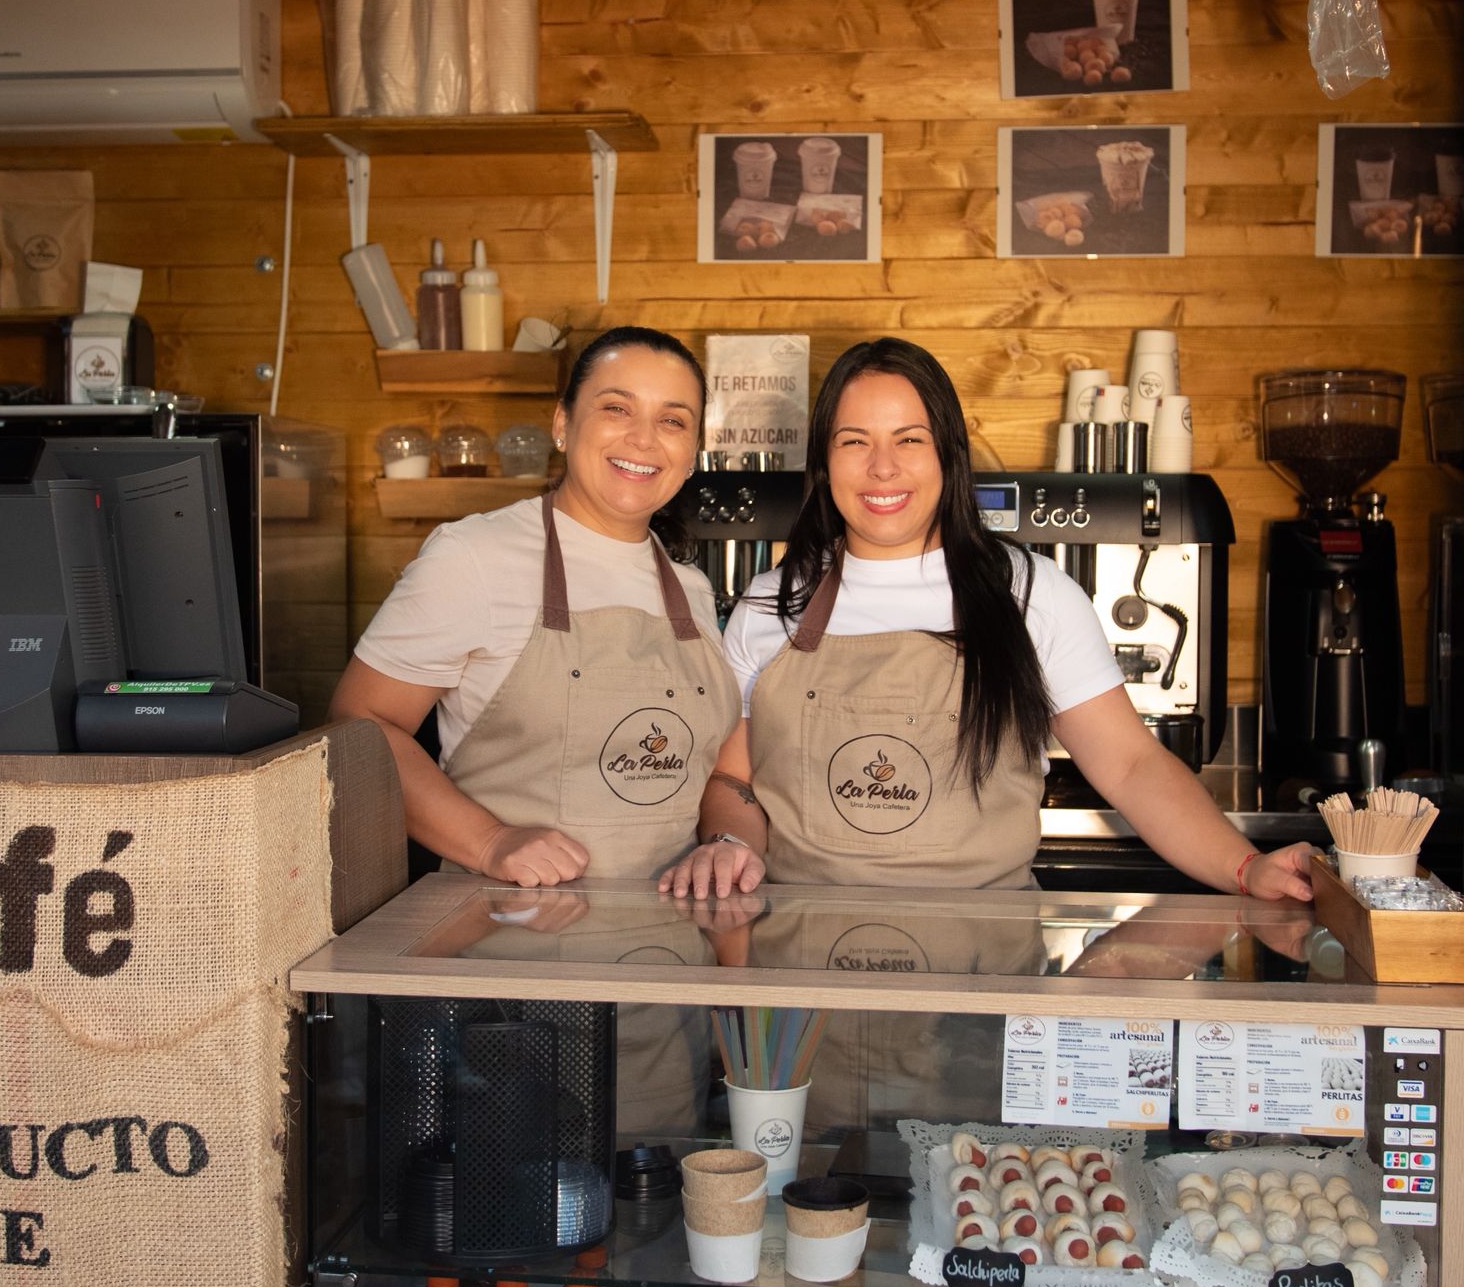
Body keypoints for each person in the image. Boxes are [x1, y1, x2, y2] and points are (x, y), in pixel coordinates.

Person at [661, 335, 1316, 904]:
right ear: (825, 462)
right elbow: (733, 778)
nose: (882, 467)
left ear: (947, 455)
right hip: (802, 962)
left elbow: (1131, 766)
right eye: (854, 441)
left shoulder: (1029, 593)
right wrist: (727, 844)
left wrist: (1245, 867)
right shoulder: (772, 605)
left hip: (984, 961)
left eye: (909, 440)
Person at [332, 325, 742, 884]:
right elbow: (360, 723)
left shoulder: (692, 590)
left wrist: (725, 844)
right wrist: (489, 841)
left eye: (672, 421)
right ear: (562, 424)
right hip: (510, 921)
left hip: (668, 927)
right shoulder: (473, 556)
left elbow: (715, 767)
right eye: (617, 408)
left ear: (692, 453)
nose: (644, 439)